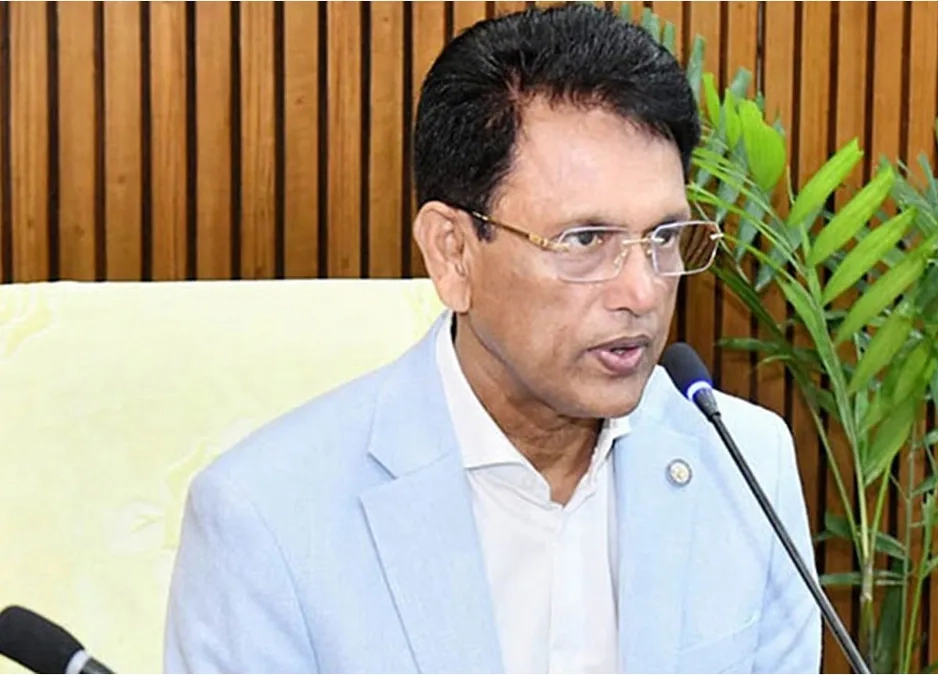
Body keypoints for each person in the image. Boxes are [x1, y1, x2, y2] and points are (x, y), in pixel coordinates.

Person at [164, 3, 822, 673]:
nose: (643, 291)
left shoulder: (746, 464)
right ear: (453, 253)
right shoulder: (267, 518)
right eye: (585, 240)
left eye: (663, 236)